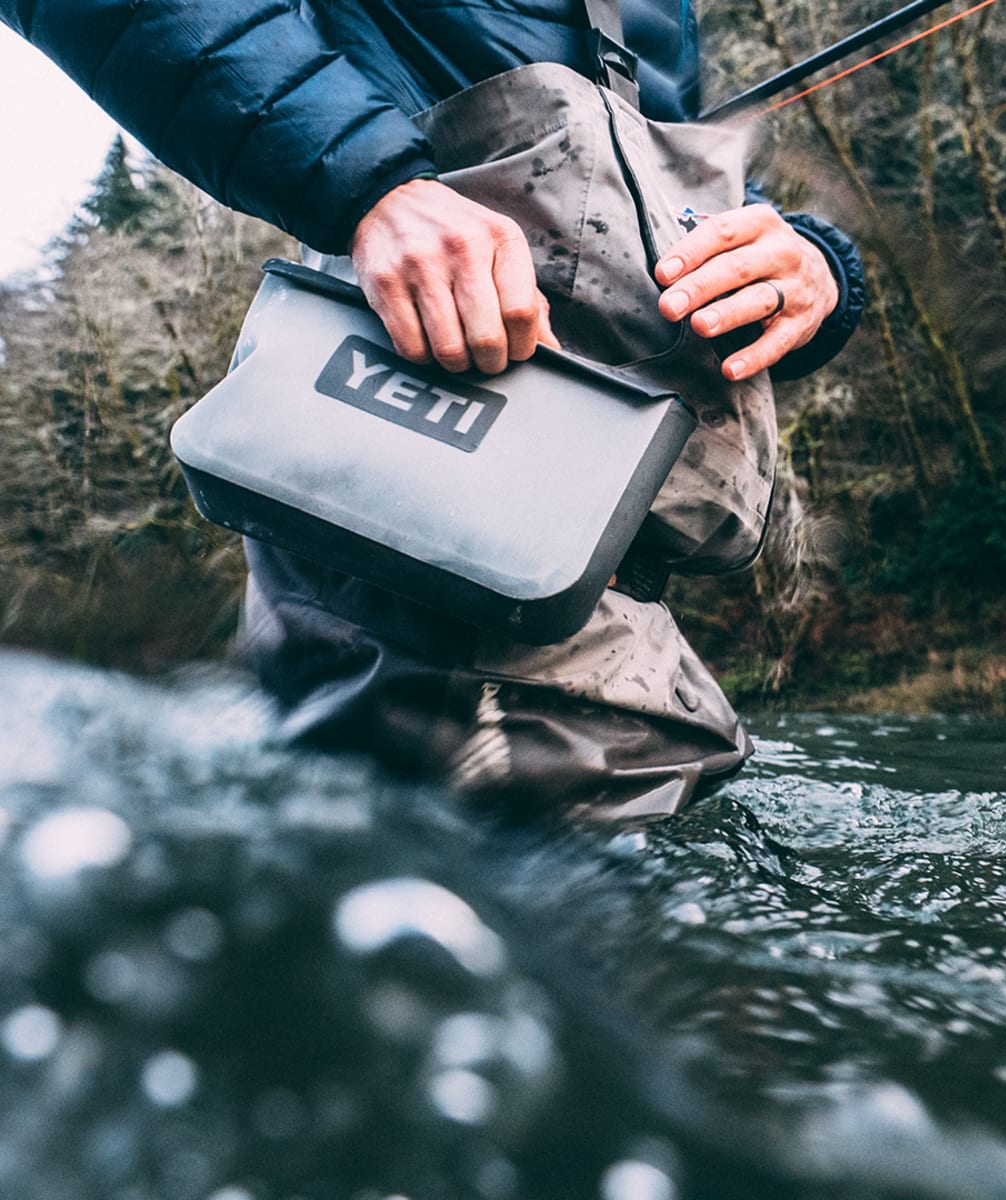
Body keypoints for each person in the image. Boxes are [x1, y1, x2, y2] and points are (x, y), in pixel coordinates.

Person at [2, 0, 865, 817]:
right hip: (422, 483)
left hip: (608, 559)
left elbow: (648, 185)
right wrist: (371, 186)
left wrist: (813, 265)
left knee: (625, 842)